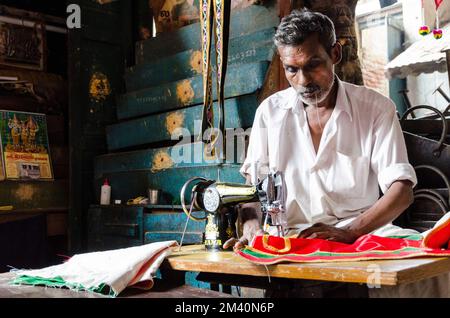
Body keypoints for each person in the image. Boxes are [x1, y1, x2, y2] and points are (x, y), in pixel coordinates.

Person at [223, 8, 450, 298]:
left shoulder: (375, 108)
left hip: (364, 232)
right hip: (293, 236)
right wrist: (252, 226)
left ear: (336, 54)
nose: (303, 80)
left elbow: (401, 190)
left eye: (313, 64)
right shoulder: (270, 113)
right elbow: (252, 191)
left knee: (431, 270)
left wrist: (351, 231)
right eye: (292, 69)